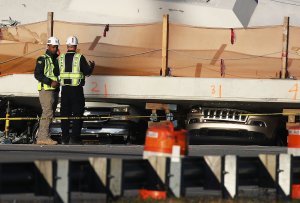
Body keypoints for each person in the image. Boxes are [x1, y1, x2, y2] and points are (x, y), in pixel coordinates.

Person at [59, 36, 95, 144]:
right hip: (76, 90)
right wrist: (92, 67)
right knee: (77, 114)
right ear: (76, 46)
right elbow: (87, 72)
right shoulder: (79, 57)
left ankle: (64, 138)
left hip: (64, 90)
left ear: (67, 45)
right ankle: (74, 138)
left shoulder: (61, 58)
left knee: (64, 114)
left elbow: (56, 72)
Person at [34, 36, 60, 145]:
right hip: (46, 89)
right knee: (47, 112)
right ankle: (42, 137)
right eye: (53, 47)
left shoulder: (55, 59)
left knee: (50, 113)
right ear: (48, 46)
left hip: (54, 90)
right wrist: (50, 82)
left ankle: (45, 136)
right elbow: (37, 74)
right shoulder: (42, 59)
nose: (54, 49)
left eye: (56, 47)